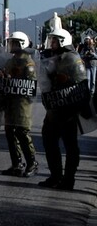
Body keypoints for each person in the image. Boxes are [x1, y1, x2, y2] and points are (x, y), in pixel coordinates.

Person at [39, 28, 88, 190]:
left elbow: (81, 84)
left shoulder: (72, 59)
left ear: (63, 41)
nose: (51, 44)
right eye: (51, 40)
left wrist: (83, 106)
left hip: (68, 110)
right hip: (54, 109)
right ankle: (56, 176)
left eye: (55, 41)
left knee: (70, 145)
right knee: (49, 141)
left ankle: (68, 179)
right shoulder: (54, 58)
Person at [0, 31, 39, 177]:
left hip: (22, 103)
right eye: (11, 42)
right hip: (10, 101)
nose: (11, 45)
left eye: (14, 43)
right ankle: (17, 164)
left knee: (22, 132)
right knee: (10, 132)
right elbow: (6, 79)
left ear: (21, 44)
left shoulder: (28, 62)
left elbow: (30, 84)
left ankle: (32, 163)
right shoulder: (10, 61)